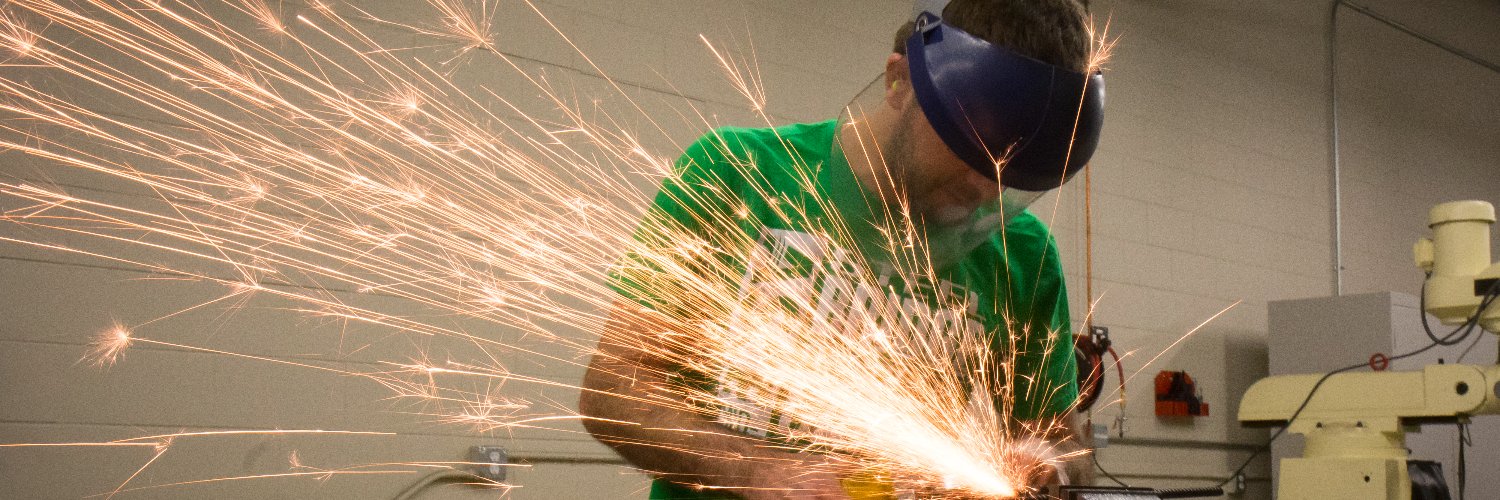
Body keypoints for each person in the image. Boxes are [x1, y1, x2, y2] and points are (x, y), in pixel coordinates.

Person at [579, 0, 1104, 498]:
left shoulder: (1028, 254)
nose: (985, 189)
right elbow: (612, 392)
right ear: (900, 81)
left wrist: (1048, 461)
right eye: (973, 152)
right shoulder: (739, 171)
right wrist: (764, 474)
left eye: (1012, 175)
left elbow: (1062, 439)